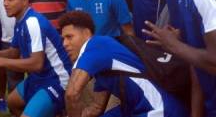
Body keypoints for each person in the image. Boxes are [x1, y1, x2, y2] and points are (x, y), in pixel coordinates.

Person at [59, 11, 188, 117]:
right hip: (138, 109)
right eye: (63, 39)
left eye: (69, 37)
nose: (64, 44)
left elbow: (72, 94)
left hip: (158, 110)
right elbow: (97, 108)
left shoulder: (95, 45)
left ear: (87, 33)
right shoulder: (101, 60)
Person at [0, 0, 72, 117]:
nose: (5, 3)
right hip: (38, 77)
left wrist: (0, 62)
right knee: (13, 103)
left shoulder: (32, 23)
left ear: (25, 0)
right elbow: (14, 52)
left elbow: (36, 64)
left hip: (56, 80)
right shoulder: (20, 20)